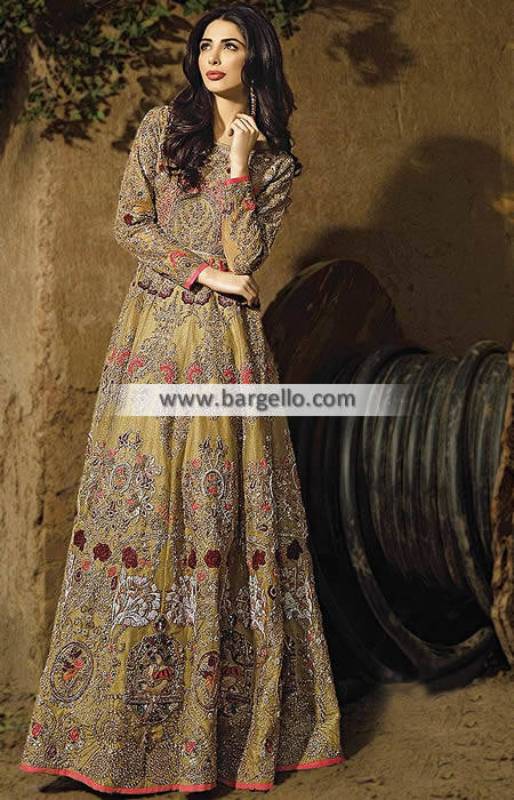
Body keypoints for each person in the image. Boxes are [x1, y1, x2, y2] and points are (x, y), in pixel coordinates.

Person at [18, 3, 345, 793]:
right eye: (205, 44)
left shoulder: (274, 163)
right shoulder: (162, 129)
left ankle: (209, 747)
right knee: (139, 519)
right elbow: (130, 223)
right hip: (154, 340)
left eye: (230, 45)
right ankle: (103, 745)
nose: (212, 56)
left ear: (256, 59)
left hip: (227, 355)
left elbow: (248, 252)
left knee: (217, 521)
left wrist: (238, 163)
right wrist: (203, 274)